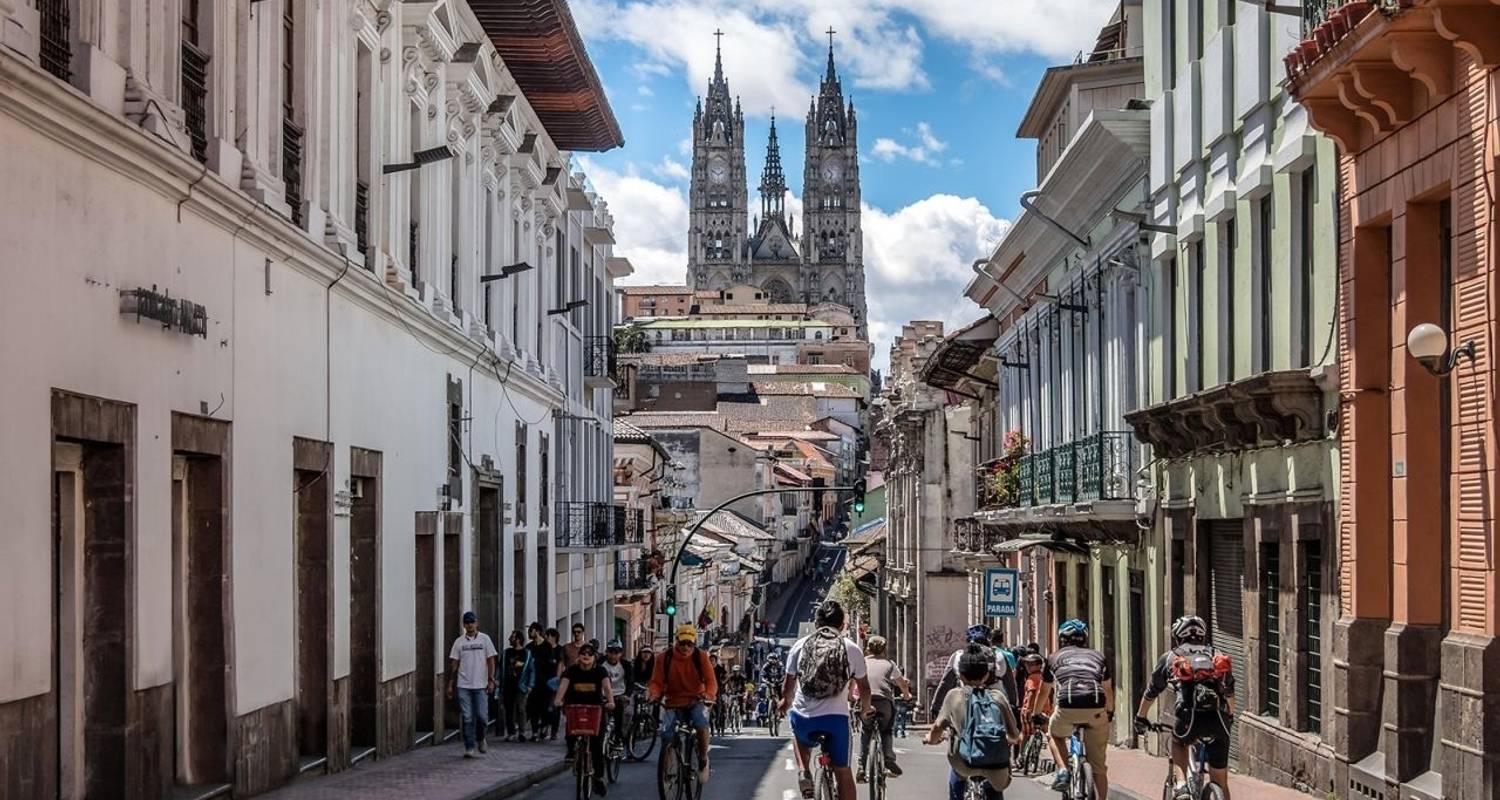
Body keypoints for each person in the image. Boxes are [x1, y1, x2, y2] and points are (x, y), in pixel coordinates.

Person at [1134, 615, 1236, 800]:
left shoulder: (1171, 657)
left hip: (1189, 718)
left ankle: (1181, 785)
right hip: (1219, 720)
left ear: (1177, 636)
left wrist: (1141, 717)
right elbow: (1229, 692)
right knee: (1221, 782)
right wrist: (1230, 716)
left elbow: (1152, 691)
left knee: (1178, 742)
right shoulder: (1216, 654)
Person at [780, 599, 872, 800]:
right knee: (843, 772)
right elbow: (864, 687)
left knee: (798, 734)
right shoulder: (851, 648)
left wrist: (785, 702)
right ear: (842, 625)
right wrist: (866, 709)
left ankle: (804, 770)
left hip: (804, 717)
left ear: (817, 624)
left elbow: (789, 685)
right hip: (836, 720)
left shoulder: (800, 645)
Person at [924, 643, 1022, 800]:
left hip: (963, 764)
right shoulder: (998, 697)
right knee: (994, 789)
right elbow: (1014, 735)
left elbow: (937, 727)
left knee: (957, 776)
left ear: (960, 675)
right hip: (996, 767)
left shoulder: (953, 696)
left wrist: (930, 739)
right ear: (986, 675)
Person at [1043, 619, 1113, 797]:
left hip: (1067, 705)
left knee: (1054, 734)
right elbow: (1107, 690)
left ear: (1062, 640)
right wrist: (1110, 712)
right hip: (1095, 706)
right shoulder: (1099, 657)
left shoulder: (1053, 657)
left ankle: (1063, 769)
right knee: (1099, 767)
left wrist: (1036, 713)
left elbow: (1043, 692)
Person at [647, 624, 717, 785]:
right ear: (676, 641)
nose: (685, 647)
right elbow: (656, 682)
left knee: (701, 723)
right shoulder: (663, 658)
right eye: (682, 643)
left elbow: (711, 681)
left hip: (695, 700)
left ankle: (702, 758)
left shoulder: (701, 657)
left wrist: (709, 695)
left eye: (689, 644)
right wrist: (654, 695)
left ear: (694, 644)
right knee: (666, 734)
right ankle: (667, 768)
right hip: (672, 702)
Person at [554, 641, 615, 797]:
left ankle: (599, 776)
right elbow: (563, 686)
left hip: (595, 709)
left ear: (595, 657)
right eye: (583, 653)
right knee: (571, 732)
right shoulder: (571, 670)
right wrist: (558, 700)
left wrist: (610, 701)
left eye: (590, 654)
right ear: (579, 656)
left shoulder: (600, 671)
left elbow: (607, 687)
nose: (586, 656)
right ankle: (572, 753)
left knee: (596, 744)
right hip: (575, 707)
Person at [930, 624, 1016, 722]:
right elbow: (1010, 684)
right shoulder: (999, 656)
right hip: (995, 701)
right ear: (989, 641)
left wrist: (936, 706)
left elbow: (945, 683)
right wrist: (1013, 705)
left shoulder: (958, 656)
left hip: (966, 700)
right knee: (1010, 730)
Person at [857, 635, 911, 781]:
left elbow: (852, 682)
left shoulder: (862, 662)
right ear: (884, 649)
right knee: (886, 730)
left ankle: (861, 767)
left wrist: (851, 697)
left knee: (866, 731)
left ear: (868, 648)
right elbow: (902, 684)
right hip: (884, 702)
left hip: (866, 701)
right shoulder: (890, 664)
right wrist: (906, 695)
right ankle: (889, 758)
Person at [446, 611, 498, 757]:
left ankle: (481, 738)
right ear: (464, 625)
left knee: (482, 716)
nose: (470, 625)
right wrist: (450, 683)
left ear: (477, 623)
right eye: (467, 622)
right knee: (467, 717)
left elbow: (491, 660)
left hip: (481, 685)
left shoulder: (485, 639)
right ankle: (469, 746)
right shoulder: (459, 642)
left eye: (472, 622)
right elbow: (454, 664)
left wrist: (491, 679)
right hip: (464, 685)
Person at [525, 623, 559, 741]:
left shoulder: (547, 647)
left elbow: (552, 665)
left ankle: (544, 727)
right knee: (532, 707)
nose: (529, 633)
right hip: (532, 683)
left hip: (545, 683)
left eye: (531, 630)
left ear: (538, 631)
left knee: (545, 707)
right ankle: (534, 732)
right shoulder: (529, 647)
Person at [500, 629, 532, 741]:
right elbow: (501, 668)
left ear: (518, 639)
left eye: (512, 637)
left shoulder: (526, 653)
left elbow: (531, 670)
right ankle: (511, 732)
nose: (509, 639)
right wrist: (498, 681)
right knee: (508, 709)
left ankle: (522, 732)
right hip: (508, 685)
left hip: (520, 685)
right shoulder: (506, 653)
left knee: (521, 708)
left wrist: (530, 685)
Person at [601, 639, 635, 745]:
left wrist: (627, 695)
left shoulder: (625, 665)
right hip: (603, 695)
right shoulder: (600, 663)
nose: (613, 655)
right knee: (600, 721)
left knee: (620, 720)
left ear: (621, 653)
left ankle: (618, 741)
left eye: (616, 652)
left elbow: (630, 682)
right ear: (606, 652)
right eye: (611, 652)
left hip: (619, 695)